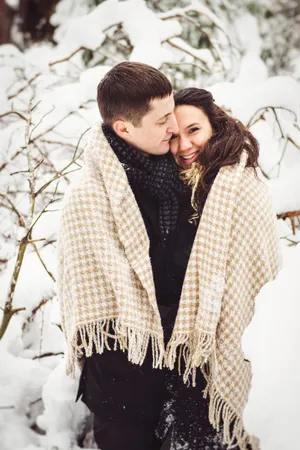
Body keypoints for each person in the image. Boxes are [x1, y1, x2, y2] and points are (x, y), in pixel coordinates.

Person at [57, 62, 200, 450]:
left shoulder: (182, 170)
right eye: (162, 120)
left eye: (173, 111)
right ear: (124, 128)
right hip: (124, 389)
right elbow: (99, 306)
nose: (174, 126)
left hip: (186, 371)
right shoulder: (88, 201)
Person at [154, 88, 281, 450]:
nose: (183, 147)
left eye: (194, 130)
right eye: (174, 136)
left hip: (221, 344)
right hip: (178, 343)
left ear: (215, 125)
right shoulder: (177, 189)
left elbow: (255, 274)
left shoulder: (239, 188)